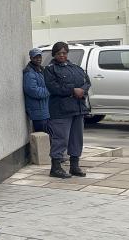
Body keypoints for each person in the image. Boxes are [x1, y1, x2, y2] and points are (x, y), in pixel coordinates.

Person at [43, 42, 90, 179]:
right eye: (59, 53)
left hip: (78, 109)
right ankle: (55, 167)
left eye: (64, 53)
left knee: (76, 139)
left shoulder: (75, 68)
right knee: (60, 139)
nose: (62, 55)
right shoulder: (50, 70)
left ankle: (74, 166)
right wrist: (72, 90)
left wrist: (82, 90)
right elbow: (54, 88)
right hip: (60, 110)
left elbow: (86, 82)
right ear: (54, 54)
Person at [23, 48, 50, 133]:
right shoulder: (29, 73)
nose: (38, 59)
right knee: (41, 138)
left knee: (47, 137)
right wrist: (50, 90)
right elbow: (33, 90)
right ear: (31, 58)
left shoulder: (41, 70)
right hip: (38, 112)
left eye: (40, 57)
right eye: (35, 57)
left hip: (45, 110)